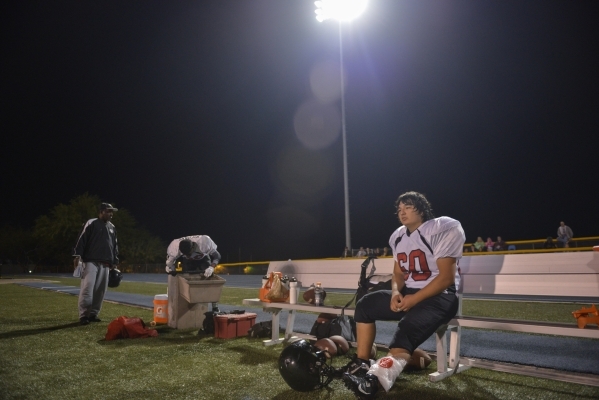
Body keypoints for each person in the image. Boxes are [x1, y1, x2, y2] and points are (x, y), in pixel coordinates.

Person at [341, 191, 465, 398]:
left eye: (407, 207)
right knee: (365, 305)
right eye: (399, 209)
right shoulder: (398, 236)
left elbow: (446, 278)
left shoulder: (442, 228)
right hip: (411, 293)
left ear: (422, 209)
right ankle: (362, 363)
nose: (402, 212)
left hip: (440, 296)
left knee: (405, 330)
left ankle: (376, 379)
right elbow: (398, 273)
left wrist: (414, 299)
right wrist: (395, 293)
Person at [72, 203, 120, 325]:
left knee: (100, 290)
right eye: (109, 211)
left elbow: (114, 246)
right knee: (88, 288)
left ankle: (93, 314)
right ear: (101, 211)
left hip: (106, 263)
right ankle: (84, 315)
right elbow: (81, 239)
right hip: (90, 261)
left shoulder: (112, 227)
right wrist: (77, 255)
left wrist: (114, 261)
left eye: (112, 212)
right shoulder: (92, 223)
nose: (111, 214)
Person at [165, 235, 222, 311]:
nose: (188, 255)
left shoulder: (204, 242)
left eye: (188, 253)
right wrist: (170, 267)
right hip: (188, 262)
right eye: (185, 254)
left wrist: (211, 267)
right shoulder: (174, 246)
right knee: (186, 280)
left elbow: (217, 256)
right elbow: (170, 263)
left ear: (193, 247)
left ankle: (215, 306)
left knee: (209, 278)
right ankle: (187, 303)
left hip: (203, 258)